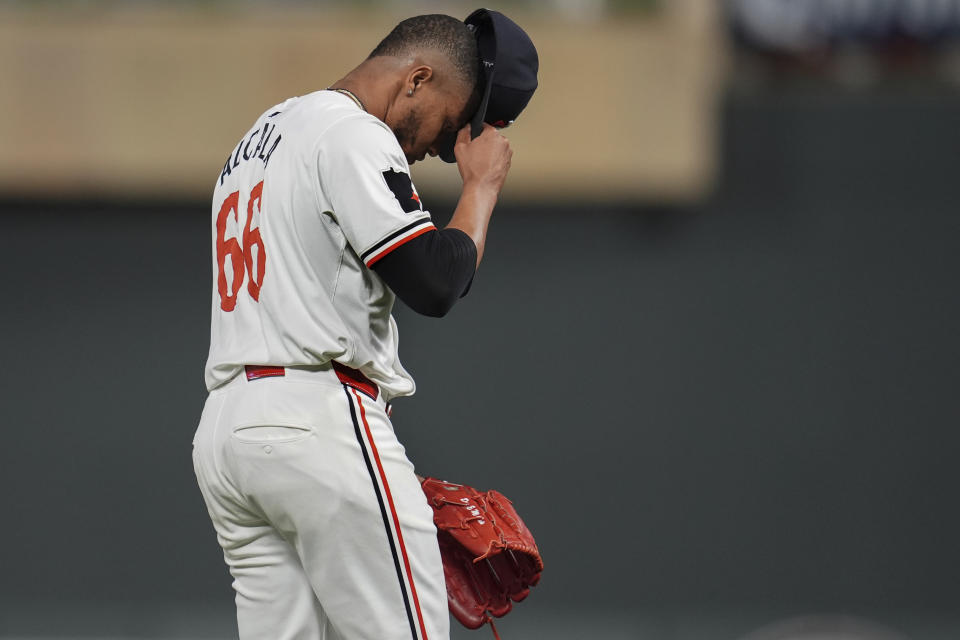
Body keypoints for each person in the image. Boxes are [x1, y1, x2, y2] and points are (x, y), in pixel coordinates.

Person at [191, 10, 537, 640]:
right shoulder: (352, 133)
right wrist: (481, 190)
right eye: (449, 119)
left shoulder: (259, 137)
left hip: (229, 438)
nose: (441, 145)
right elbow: (434, 281)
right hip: (318, 423)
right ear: (418, 79)